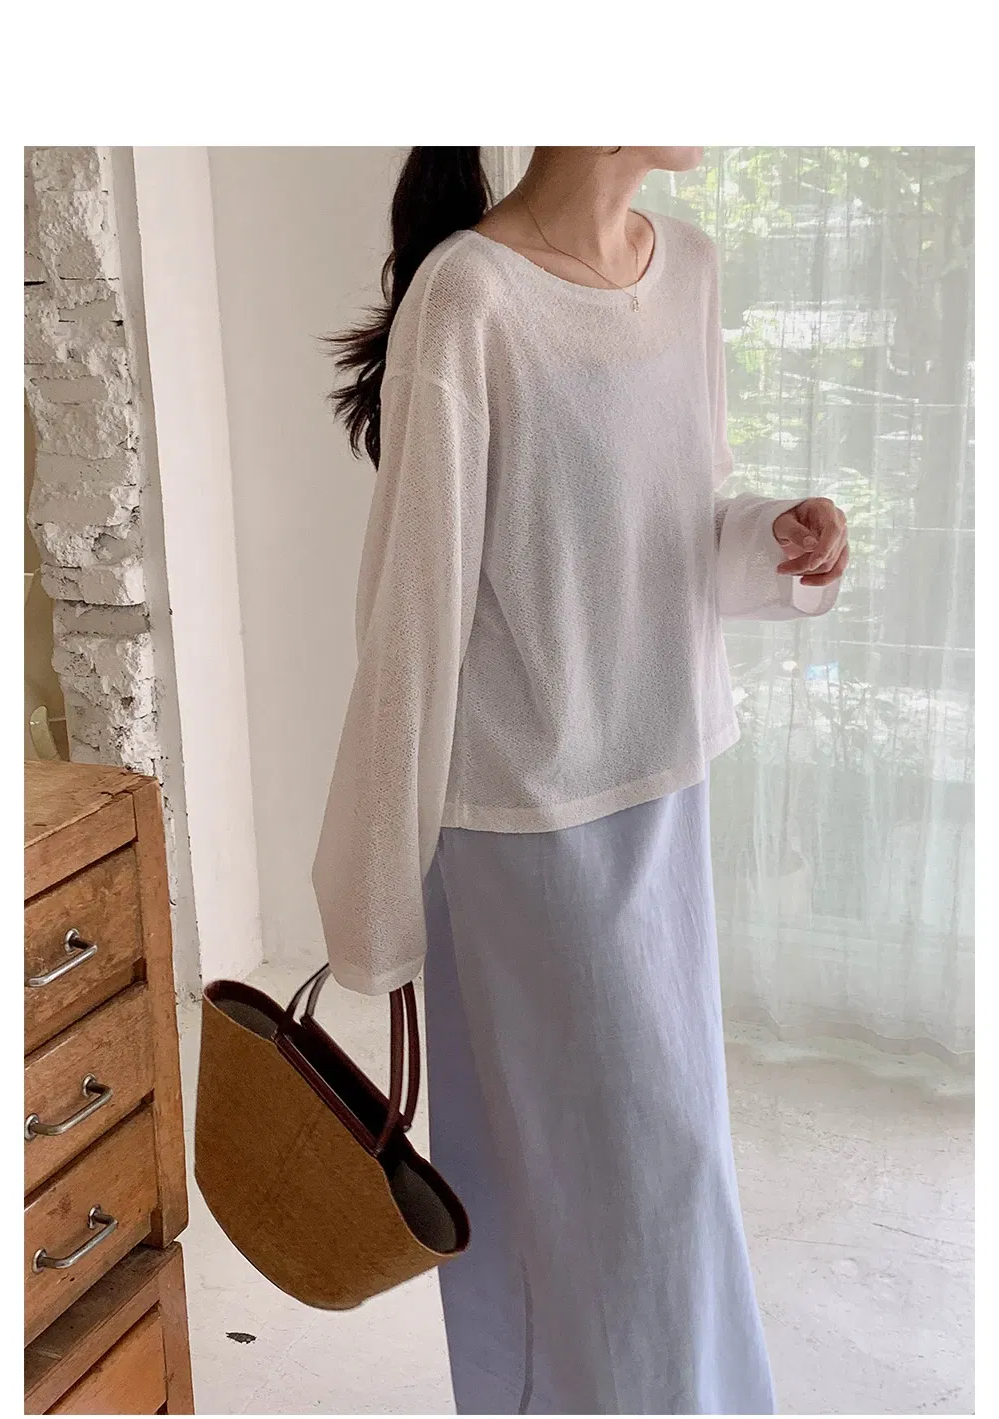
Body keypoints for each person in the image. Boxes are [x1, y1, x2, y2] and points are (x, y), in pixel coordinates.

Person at [313, 146, 849, 1416]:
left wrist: (773, 538)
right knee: (608, 1194)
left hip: (663, 794)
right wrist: (376, 905)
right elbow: (413, 616)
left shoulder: (688, 267)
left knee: (649, 1178)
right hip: (526, 829)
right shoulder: (469, 298)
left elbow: (668, 527)